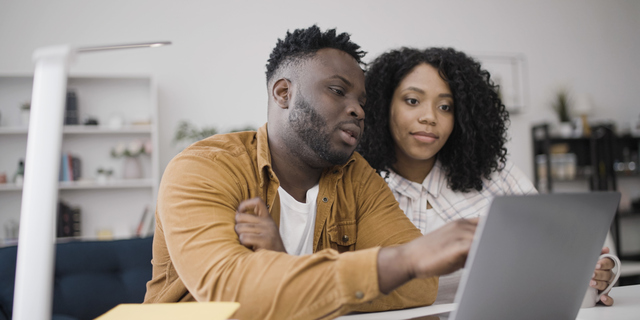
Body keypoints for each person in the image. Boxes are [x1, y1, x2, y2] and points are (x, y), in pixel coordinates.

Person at [144, 26, 478, 319]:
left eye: (362, 101)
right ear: (283, 93)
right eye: (337, 90)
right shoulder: (204, 168)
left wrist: (284, 268)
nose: (358, 110)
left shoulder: (356, 175)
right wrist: (402, 261)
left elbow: (420, 286)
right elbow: (232, 294)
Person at [357, 47, 618, 305]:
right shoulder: (358, 188)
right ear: (383, 106)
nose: (430, 117)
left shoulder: (495, 176)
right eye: (412, 101)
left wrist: (598, 271)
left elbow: (557, 248)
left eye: (446, 106)